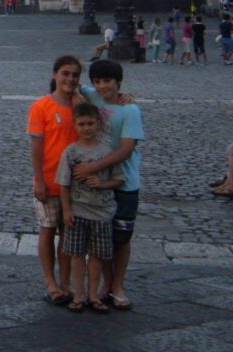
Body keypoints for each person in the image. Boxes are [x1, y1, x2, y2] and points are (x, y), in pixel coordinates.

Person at [75, 59, 144, 311]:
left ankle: (118, 285)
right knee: (102, 236)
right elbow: (68, 84)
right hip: (99, 182)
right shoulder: (91, 94)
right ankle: (107, 284)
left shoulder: (130, 111)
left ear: (118, 82)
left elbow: (127, 150)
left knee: (122, 237)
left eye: (108, 81)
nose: (103, 86)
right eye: (98, 81)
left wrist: (92, 168)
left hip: (124, 181)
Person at [57, 102, 125, 313]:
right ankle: (79, 293)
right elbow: (63, 184)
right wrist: (66, 210)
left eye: (90, 123)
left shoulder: (107, 152)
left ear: (98, 124)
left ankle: (93, 293)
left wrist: (102, 184)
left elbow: (119, 179)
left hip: (102, 212)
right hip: (78, 211)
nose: (86, 128)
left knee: (97, 256)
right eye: (82, 124)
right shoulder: (70, 152)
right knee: (76, 255)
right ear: (75, 126)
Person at [27, 55, 82, 305]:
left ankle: (65, 282)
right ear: (55, 75)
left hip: (76, 184)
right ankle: (50, 282)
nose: (69, 79)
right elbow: (36, 147)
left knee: (68, 235)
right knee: (48, 232)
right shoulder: (41, 107)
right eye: (65, 74)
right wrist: (38, 179)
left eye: (74, 75)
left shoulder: (82, 106)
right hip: (49, 180)